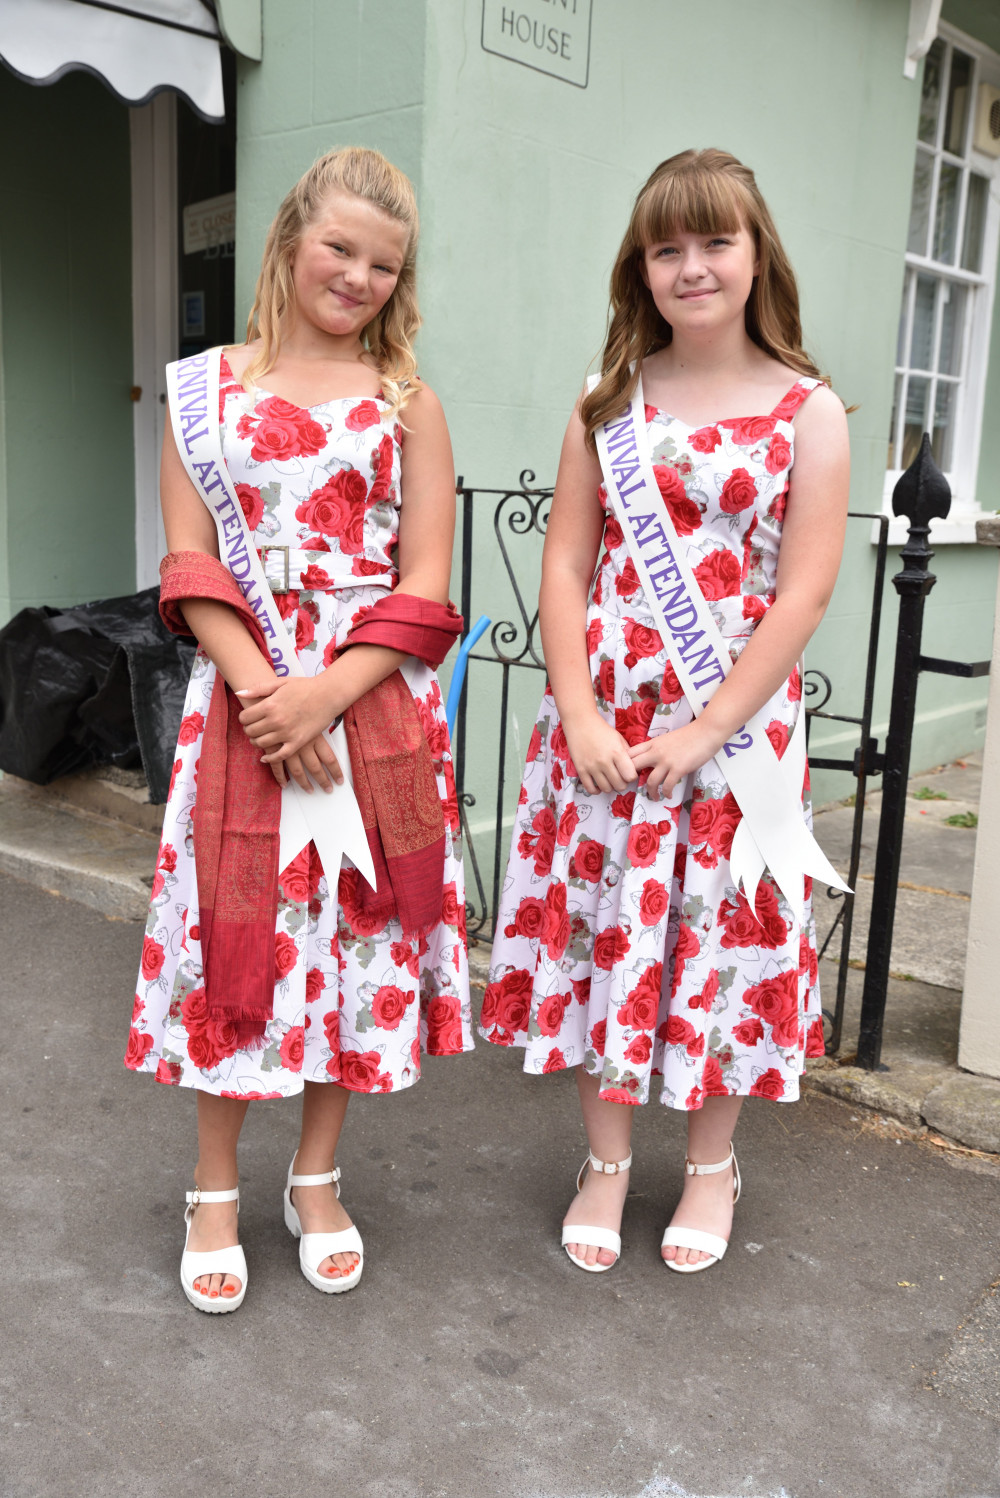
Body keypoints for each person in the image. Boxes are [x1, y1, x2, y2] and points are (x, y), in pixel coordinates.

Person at [482, 148, 849, 1274]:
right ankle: (604, 1160)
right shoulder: (609, 404)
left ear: (756, 255)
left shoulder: (808, 409)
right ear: (639, 268)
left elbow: (804, 589)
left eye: (714, 242)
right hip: (603, 733)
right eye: (666, 247)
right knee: (605, 928)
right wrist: (580, 713)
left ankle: (707, 1165)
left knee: (715, 946)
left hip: (730, 737)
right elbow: (562, 566)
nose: (691, 266)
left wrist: (703, 732)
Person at [125, 147, 473, 1312]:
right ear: (287, 241)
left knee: (357, 949)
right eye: (339, 249)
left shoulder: (408, 403)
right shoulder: (201, 390)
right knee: (239, 943)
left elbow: (426, 581)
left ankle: (316, 1179)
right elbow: (187, 562)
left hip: (374, 713)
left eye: (384, 264)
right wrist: (267, 692)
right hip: (245, 711)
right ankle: (214, 1187)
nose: (359, 277)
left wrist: (327, 692)